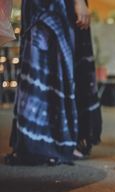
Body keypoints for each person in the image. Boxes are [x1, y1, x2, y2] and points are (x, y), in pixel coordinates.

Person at [5, 0, 102, 165]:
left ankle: (36, 142)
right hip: (56, 7)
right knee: (57, 66)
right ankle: (53, 143)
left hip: (38, 7)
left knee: (40, 65)